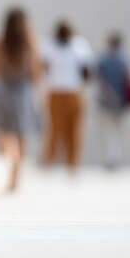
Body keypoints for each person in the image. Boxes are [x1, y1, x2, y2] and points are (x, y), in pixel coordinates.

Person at [0, 8, 42, 191]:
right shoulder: (31, 43)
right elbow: (36, 73)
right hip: (24, 91)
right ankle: (17, 171)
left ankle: (10, 162)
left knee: (3, 133)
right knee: (23, 133)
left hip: (3, 90)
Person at [41, 19, 93, 171]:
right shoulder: (74, 46)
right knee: (59, 130)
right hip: (65, 91)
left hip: (65, 91)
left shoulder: (77, 45)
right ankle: (58, 162)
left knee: (71, 130)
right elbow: (87, 72)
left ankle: (67, 163)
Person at [95, 32, 130, 169]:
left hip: (107, 101)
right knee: (122, 132)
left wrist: (110, 95)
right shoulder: (127, 59)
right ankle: (121, 159)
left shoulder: (103, 59)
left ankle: (112, 159)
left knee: (108, 133)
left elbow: (100, 80)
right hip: (122, 102)